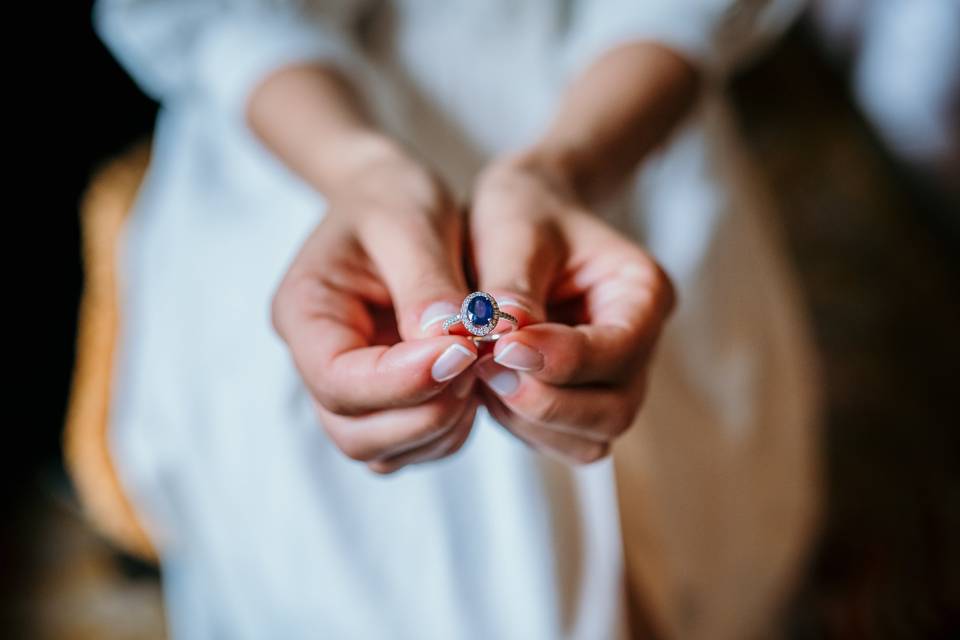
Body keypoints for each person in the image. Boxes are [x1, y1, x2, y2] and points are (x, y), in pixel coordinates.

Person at [92, 1, 820, 638]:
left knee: (684, 524)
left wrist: (568, 167)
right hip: (294, 129)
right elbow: (220, 17)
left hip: (617, 115)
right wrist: (359, 174)